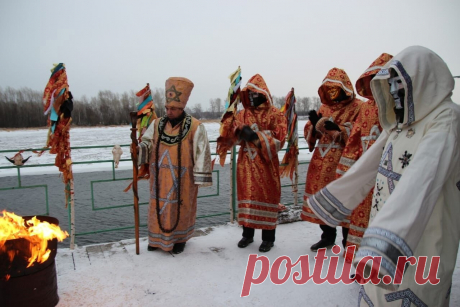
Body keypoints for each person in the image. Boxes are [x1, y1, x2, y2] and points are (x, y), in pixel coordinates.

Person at [307, 46, 460, 306]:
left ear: (421, 80)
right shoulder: (401, 122)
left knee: (413, 286)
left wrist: (383, 246)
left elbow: (423, 178)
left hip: (422, 227)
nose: (393, 96)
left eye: (398, 87)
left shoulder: (446, 119)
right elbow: (369, 163)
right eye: (389, 88)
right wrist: (336, 198)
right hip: (384, 220)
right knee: (377, 295)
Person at [137, 77, 212, 254]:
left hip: (184, 179)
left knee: (181, 206)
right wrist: (140, 149)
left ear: (182, 108)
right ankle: (156, 239)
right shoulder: (156, 124)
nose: (169, 112)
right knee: (158, 207)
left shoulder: (195, 126)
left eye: (173, 109)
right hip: (160, 178)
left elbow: (202, 151)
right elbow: (147, 142)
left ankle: (180, 239)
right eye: (167, 108)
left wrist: (200, 176)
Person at [336, 53, 393, 263]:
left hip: (390, 174)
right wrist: (346, 172)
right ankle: (362, 263)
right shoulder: (367, 108)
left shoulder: (399, 107)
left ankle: (381, 264)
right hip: (365, 174)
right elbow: (354, 138)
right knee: (361, 218)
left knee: (385, 221)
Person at [221, 74, 287, 252]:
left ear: (262, 94)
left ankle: (268, 238)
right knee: (247, 197)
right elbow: (230, 138)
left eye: (254, 94)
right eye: (248, 94)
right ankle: (247, 235)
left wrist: (256, 137)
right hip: (246, 163)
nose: (251, 97)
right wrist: (235, 129)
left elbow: (281, 137)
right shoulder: (242, 113)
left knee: (267, 196)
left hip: (266, 164)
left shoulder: (275, 114)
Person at [301, 68, 361, 251]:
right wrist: (313, 126)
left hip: (344, 162)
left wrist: (339, 130)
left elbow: (361, 132)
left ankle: (347, 241)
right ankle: (327, 236)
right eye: (328, 89)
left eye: (334, 88)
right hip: (322, 160)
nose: (331, 92)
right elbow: (312, 133)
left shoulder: (358, 107)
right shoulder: (324, 107)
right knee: (323, 199)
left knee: (344, 200)